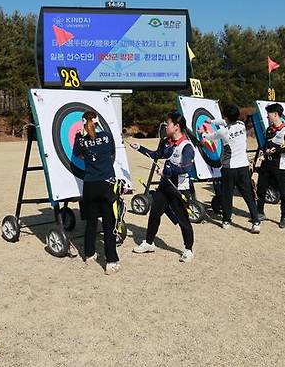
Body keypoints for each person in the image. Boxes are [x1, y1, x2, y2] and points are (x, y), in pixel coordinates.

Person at [130, 112, 195, 262]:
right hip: (164, 186)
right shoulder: (166, 141)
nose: (166, 127)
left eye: (168, 124)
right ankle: (149, 242)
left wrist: (168, 170)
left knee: (183, 220)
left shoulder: (186, 146)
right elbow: (156, 155)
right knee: (154, 214)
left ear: (177, 127)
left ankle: (188, 250)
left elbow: (186, 168)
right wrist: (140, 148)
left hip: (179, 188)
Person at [72, 111, 120, 275]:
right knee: (108, 223)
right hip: (106, 183)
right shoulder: (107, 135)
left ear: (84, 122)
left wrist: (81, 136)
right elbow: (112, 151)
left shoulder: (81, 139)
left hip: (90, 185)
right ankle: (111, 262)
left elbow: (76, 153)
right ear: (98, 121)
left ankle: (90, 255)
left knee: (91, 221)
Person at [200, 105, 261, 233]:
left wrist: (203, 133)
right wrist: (211, 121)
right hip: (243, 167)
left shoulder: (223, 132)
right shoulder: (241, 125)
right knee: (248, 195)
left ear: (226, 117)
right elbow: (224, 121)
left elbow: (210, 137)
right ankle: (256, 222)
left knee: (227, 195)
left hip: (229, 168)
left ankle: (226, 220)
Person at [256, 103, 285, 229]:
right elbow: (266, 145)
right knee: (260, 189)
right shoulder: (269, 129)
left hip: (280, 166)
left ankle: (283, 217)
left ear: (275, 114)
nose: (267, 117)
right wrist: (262, 154)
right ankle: (260, 212)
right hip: (267, 164)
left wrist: (277, 150)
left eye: (268, 115)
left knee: (284, 193)